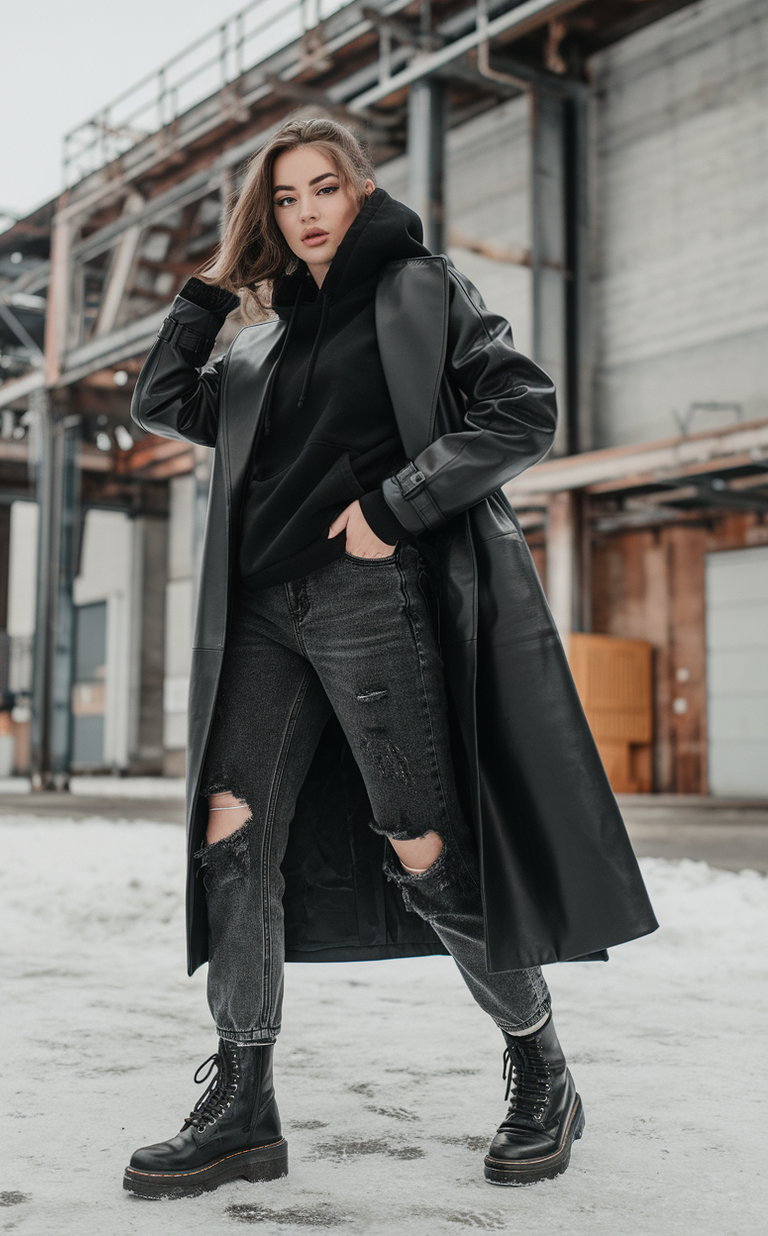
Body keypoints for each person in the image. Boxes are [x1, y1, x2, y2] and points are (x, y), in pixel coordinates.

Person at [124, 118, 657, 1200]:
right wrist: (208, 293)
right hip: (264, 614)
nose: (307, 211)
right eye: (284, 198)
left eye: (325, 188)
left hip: (368, 598)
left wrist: (391, 506)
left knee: (422, 848)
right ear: (267, 215)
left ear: (360, 190)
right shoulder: (264, 337)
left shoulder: (419, 290)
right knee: (232, 843)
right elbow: (166, 403)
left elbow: (522, 408)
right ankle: (241, 1103)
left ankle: (539, 1066)